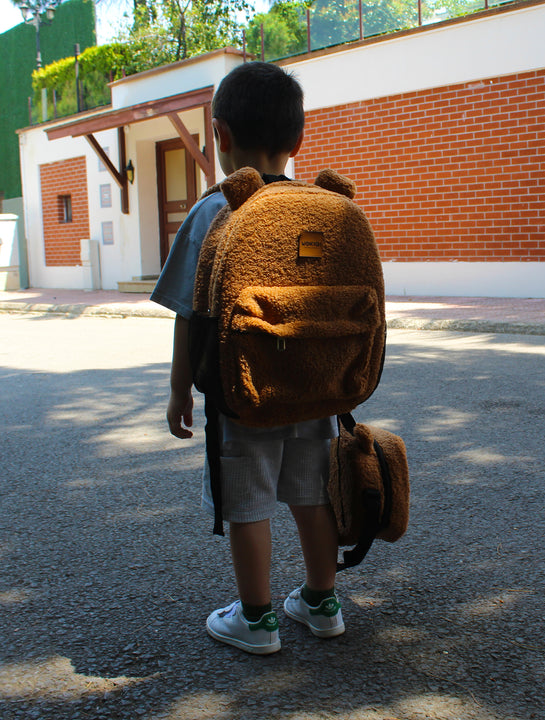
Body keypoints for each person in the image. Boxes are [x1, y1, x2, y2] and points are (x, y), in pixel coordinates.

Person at [151, 62, 343, 655]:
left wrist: (180, 390)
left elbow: (189, 313)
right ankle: (321, 601)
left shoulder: (214, 211)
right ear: (298, 141)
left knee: (247, 499)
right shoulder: (321, 208)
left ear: (220, 134)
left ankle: (256, 620)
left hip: (243, 391)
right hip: (316, 386)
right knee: (314, 491)